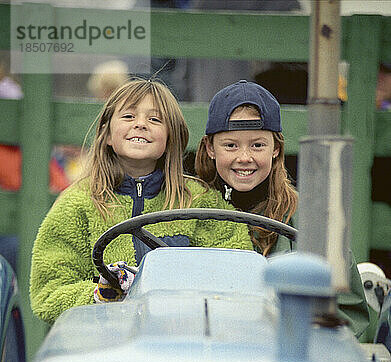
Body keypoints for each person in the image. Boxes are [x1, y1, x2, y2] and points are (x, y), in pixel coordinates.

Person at [30, 77, 253, 324]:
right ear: (106, 134)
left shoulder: (199, 201)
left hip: (185, 335)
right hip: (104, 344)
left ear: (171, 138)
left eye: (155, 119)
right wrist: (101, 294)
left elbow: (238, 269)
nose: (140, 125)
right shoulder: (78, 203)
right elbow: (48, 291)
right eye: (128, 117)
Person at [195, 80, 370, 338]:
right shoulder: (191, 209)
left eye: (257, 145)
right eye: (231, 145)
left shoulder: (309, 219)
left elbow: (347, 313)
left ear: (276, 149)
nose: (244, 157)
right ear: (210, 148)